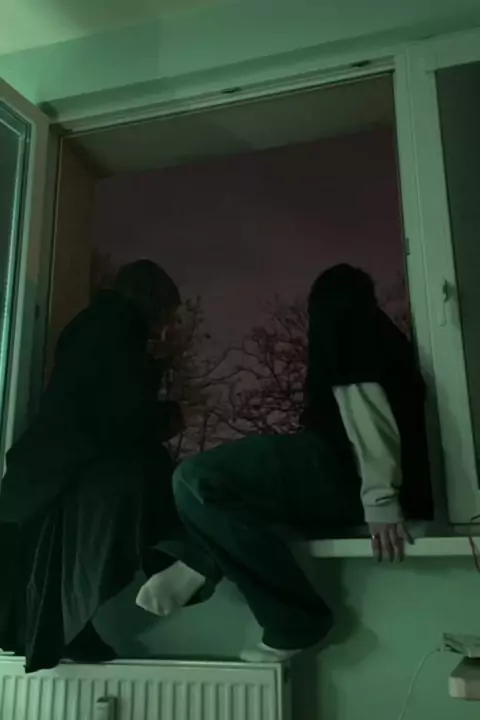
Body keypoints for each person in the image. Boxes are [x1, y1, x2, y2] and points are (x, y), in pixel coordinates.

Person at [136, 264, 433, 663]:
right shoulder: (386, 340)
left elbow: (367, 411)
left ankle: (293, 619)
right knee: (240, 499)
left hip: (340, 466)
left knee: (196, 478)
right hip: (346, 474)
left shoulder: (346, 322)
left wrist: (381, 498)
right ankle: (203, 559)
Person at [0, 259, 183, 672]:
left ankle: (69, 627)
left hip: (49, 470)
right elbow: (118, 415)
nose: (166, 325)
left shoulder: (98, 327)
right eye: (167, 313)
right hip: (67, 466)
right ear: (152, 301)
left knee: (59, 559)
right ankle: (173, 561)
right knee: (148, 481)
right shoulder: (115, 331)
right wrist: (168, 416)